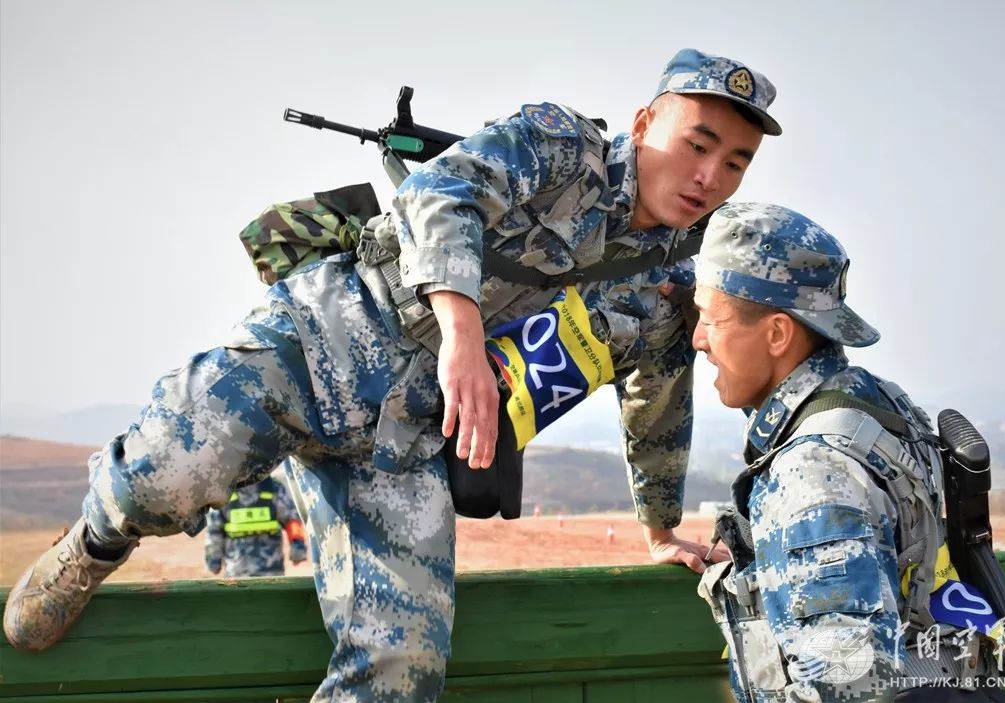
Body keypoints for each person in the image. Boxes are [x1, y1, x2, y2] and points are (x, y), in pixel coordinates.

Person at [3, 49, 780, 702]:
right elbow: (440, 193)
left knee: (400, 667)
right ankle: (91, 546)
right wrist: (463, 333)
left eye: (734, 162)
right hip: (316, 345)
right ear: (646, 124)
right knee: (159, 480)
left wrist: (657, 529)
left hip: (405, 445)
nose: (708, 175)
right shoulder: (558, 146)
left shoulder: (677, 274)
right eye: (697, 143)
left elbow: (660, 396)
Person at [691, 203, 1005, 702]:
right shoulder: (875, 403)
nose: (697, 340)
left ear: (778, 334)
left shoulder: (813, 470)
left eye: (711, 321)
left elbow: (845, 687)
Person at [204, 474, 308, 578]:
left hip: (270, 573)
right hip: (238, 573)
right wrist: (214, 559)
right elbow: (214, 530)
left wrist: (298, 546)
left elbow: (292, 520)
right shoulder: (223, 493)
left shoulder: (273, 488)